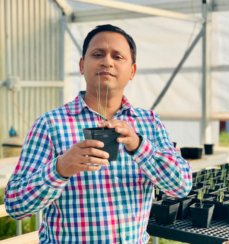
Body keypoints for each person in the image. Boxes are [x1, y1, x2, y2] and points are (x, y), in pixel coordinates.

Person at [5, 24, 192, 244]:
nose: (107, 62)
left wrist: (140, 146)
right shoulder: (50, 124)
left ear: (132, 71)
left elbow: (180, 186)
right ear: (82, 65)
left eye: (118, 56)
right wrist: (60, 168)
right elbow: (16, 205)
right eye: (98, 54)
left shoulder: (149, 123)